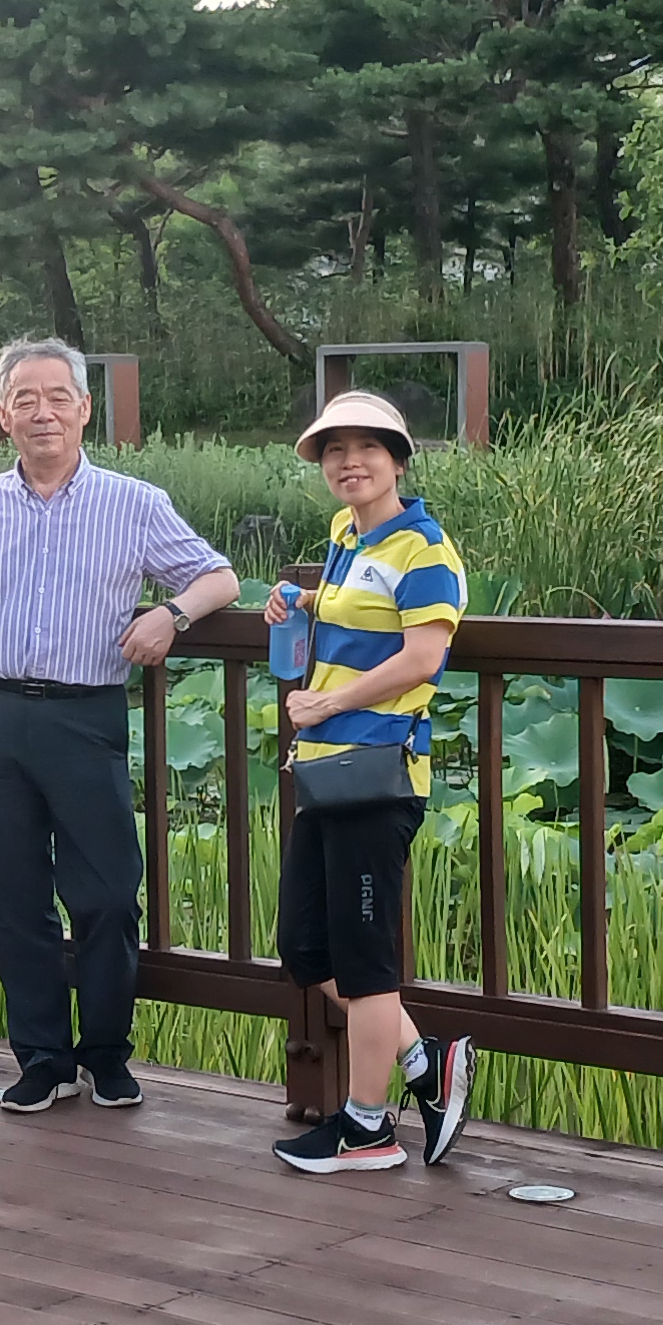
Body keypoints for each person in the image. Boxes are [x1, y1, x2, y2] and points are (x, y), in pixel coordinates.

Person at [0, 336, 236, 1112]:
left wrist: (172, 614)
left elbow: (219, 576)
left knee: (106, 895)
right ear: (4, 415)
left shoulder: (134, 502)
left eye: (57, 398)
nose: (42, 413)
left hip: (85, 716)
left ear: (84, 408)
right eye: (25, 400)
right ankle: (42, 1058)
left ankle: (106, 1052)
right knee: (13, 899)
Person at [262, 390, 476, 1173]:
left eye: (367, 449)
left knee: (364, 960)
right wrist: (303, 598)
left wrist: (329, 702)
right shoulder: (347, 535)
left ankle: (367, 1129)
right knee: (304, 946)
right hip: (327, 773)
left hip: (379, 774)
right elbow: (359, 610)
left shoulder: (426, 550)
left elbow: (422, 657)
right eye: (334, 451)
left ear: (398, 461)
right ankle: (425, 1062)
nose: (349, 463)